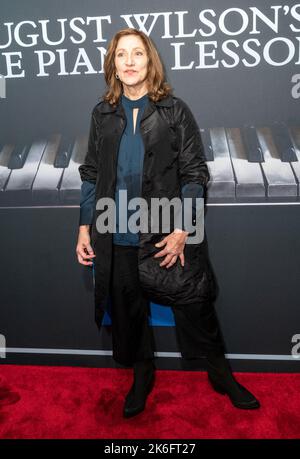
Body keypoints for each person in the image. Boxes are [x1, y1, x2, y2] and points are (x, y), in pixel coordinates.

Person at [76, 28, 260, 418]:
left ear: (150, 61)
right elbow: (91, 172)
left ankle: (221, 375)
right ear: (112, 63)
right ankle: (142, 375)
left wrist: (183, 231)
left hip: (166, 229)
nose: (128, 61)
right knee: (128, 313)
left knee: (196, 307)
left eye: (137, 54)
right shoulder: (101, 113)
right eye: (121, 54)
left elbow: (195, 174)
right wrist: (83, 227)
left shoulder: (174, 110)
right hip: (115, 230)